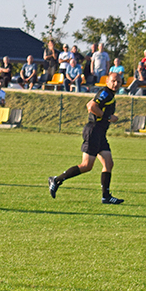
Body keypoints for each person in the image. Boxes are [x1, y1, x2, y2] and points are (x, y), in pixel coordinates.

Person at [48, 72, 124, 204]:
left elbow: (91, 102)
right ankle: (56, 180)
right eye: (113, 81)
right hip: (94, 130)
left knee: (108, 163)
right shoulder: (105, 93)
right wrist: (108, 117)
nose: (116, 84)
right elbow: (91, 106)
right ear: (107, 81)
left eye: (118, 81)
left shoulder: (108, 94)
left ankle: (106, 196)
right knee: (86, 165)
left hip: (100, 133)